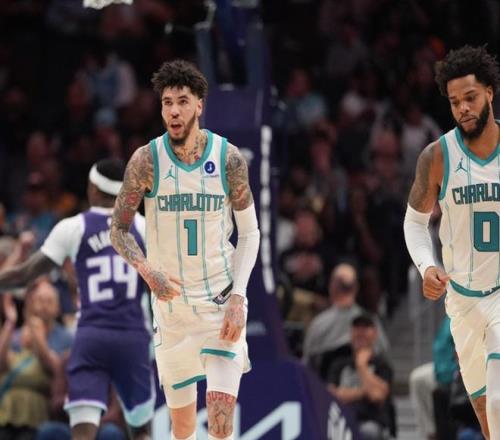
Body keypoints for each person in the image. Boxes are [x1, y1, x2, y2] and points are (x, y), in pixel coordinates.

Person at [110, 59, 260, 440]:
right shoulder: (146, 161)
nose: (174, 111)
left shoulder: (228, 159)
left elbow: (250, 233)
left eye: (182, 101)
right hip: (172, 312)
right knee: (183, 431)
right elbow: (118, 230)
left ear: (199, 105)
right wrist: (147, 270)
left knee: (221, 427)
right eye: (167, 103)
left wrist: (239, 297)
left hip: (219, 306)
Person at [0, 158, 155, 440]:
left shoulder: (74, 226)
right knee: (141, 429)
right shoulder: (145, 227)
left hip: (91, 334)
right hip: (132, 335)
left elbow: (24, 275)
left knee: (82, 430)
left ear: (92, 188)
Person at [404, 45, 500, 439]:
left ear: (490, 93)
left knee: (498, 401)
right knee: (486, 417)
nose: (463, 108)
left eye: (470, 97)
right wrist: (427, 266)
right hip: (461, 300)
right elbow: (414, 223)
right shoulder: (437, 156)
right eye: (455, 102)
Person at [302, 262, 389, 379]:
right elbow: (384, 355)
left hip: (363, 385)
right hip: (333, 385)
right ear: (356, 287)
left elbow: (306, 365)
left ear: (332, 287)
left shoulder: (318, 324)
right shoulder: (371, 322)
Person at [327, 314, 394, 440]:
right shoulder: (338, 364)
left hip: (370, 421)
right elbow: (331, 396)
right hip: (340, 420)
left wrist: (362, 366)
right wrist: (364, 392)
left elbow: (377, 396)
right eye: (357, 328)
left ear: (375, 333)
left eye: (365, 328)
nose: (360, 333)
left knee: (367, 432)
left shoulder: (382, 366)